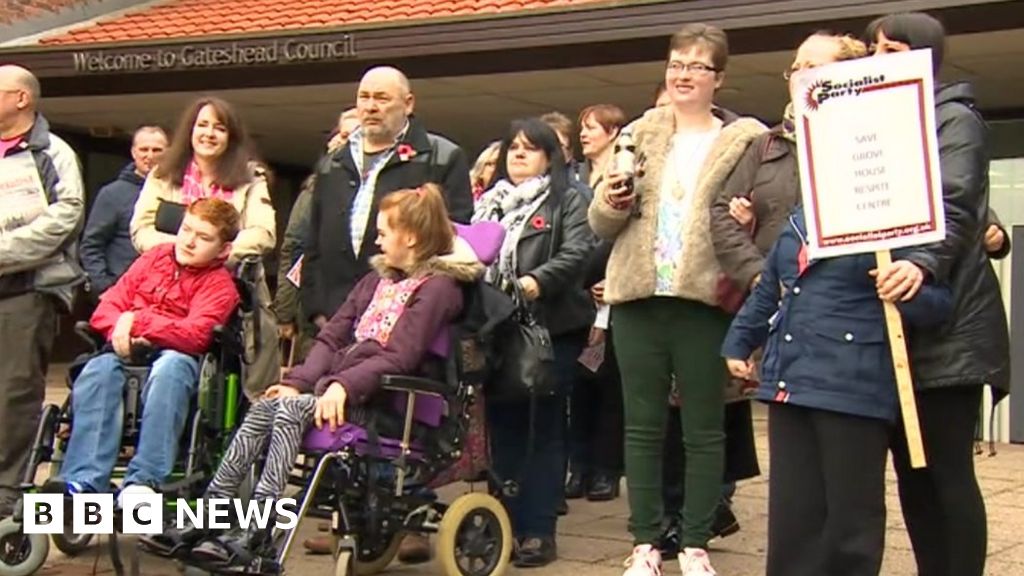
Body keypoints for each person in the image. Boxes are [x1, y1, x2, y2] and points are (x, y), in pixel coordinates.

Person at [143, 184, 482, 566]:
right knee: (266, 407)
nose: (377, 238)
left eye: (384, 231)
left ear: (412, 237)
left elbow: (401, 356)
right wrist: (296, 382)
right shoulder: (377, 281)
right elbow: (333, 335)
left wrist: (342, 385)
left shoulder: (438, 289)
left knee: (289, 412)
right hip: (346, 391)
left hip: (389, 403)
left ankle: (260, 531)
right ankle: (209, 515)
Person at [587, 23, 767, 576]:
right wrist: (614, 201)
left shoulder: (747, 140)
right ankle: (644, 544)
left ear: (720, 77)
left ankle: (694, 544)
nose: (683, 74)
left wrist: (750, 219)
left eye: (697, 65)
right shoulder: (638, 133)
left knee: (704, 428)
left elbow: (764, 218)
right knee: (640, 427)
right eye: (675, 63)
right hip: (638, 295)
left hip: (704, 297)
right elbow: (599, 222)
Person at [722, 195, 951, 576]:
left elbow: (939, 304)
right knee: (793, 519)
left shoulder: (894, 216)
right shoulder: (799, 217)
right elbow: (769, 290)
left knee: (850, 521)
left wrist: (908, 289)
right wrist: (739, 342)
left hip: (854, 384)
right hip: (789, 381)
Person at [866, 13, 1010, 576]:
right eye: (874, 49)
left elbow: (953, 201)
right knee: (914, 474)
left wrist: (920, 264)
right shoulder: (878, 123)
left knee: (946, 471)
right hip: (902, 328)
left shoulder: (953, 119)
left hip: (950, 330)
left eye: (891, 49)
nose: (878, 59)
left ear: (923, 58)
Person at [42, 198, 240, 504]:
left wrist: (136, 320)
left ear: (223, 249)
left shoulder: (220, 286)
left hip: (178, 356)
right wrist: (120, 325)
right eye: (187, 229)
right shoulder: (155, 258)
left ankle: (144, 481)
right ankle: (84, 482)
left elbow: (196, 335)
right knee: (98, 370)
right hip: (124, 349)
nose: (189, 241)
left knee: (171, 368)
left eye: (203, 237)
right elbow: (107, 307)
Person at [473, 117, 594, 568]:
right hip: (497, 329)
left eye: (531, 148)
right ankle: (501, 522)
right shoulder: (491, 204)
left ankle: (538, 530)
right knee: (501, 428)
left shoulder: (570, 198)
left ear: (551, 156)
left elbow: (579, 251)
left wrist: (534, 283)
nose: (519, 155)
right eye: (513, 148)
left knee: (540, 428)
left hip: (549, 329)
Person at [302, 66, 474, 336]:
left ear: (408, 104)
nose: (370, 107)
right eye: (364, 97)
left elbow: (452, 241)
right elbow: (312, 243)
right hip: (334, 320)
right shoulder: (332, 163)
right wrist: (315, 309)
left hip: (404, 321)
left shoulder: (442, 157)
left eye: (382, 98)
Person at [130, 96, 279, 399]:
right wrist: (183, 251)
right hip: (166, 286)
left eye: (219, 128)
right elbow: (141, 230)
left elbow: (263, 233)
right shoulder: (163, 175)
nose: (209, 134)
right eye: (202, 125)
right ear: (190, 130)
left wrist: (212, 253)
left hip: (230, 287)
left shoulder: (250, 178)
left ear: (231, 136)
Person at [0, 65, 85, 519]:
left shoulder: (54, 152)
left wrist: (3, 252)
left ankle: (6, 494)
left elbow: (66, 216)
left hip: (27, 290)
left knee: (13, 396)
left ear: (20, 99)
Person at [565, 103, 628, 503]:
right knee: (579, 386)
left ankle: (606, 468)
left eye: (592, 128)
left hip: (616, 297)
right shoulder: (573, 179)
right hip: (580, 292)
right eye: (581, 127)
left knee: (610, 386)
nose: (584, 134)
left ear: (614, 132)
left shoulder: (625, 174)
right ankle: (579, 465)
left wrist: (614, 279)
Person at [276, 109, 360, 363]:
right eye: (343, 135)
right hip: (318, 311)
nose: (348, 142)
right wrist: (286, 312)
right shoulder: (316, 189)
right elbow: (295, 247)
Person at [80, 125, 169, 301]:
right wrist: (104, 287)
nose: (149, 156)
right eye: (144, 149)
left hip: (166, 294)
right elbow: (91, 245)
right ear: (133, 152)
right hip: (122, 293)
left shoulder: (177, 191)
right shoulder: (113, 194)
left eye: (157, 150)